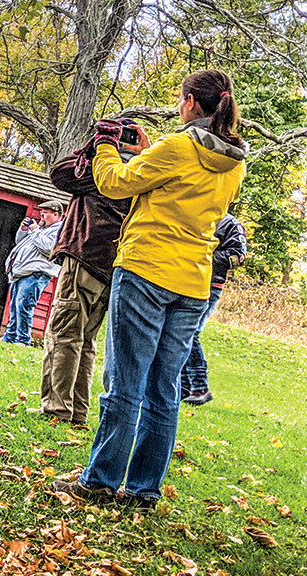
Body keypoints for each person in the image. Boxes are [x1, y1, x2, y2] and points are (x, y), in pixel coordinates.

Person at [53, 69, 247, 513]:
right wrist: (149, 150)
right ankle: (143, 491)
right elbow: (184, 183)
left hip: (147, 270)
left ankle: (99, 481)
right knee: (163, 391)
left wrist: (106, 144)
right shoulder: (234, 160)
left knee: (125, 382)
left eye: (181, 100)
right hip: (194, 282)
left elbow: (115, 183)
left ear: (192, 104)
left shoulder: (177, 147)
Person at [35, 127, 134, 426]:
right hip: (111, 265)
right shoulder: (141, 172)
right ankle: (77, 411)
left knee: (63, 333)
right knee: (86, 339)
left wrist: (95, 146)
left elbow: (60, 172)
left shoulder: (104, 170)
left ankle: (56, 408)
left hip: (84, 257)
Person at [181, 212, 247, 406]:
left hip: (210, 285)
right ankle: (184, 387)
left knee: (190, 333)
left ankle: (200, 387)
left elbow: (237, 255)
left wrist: (202, 258)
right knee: (181, 334)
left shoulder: (230, 223)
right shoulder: (199, 214)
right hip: (186, 281)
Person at [0, 200, 65, 346]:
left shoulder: (59, 230)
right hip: (22, 273)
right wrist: (24, 230)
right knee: (16, 305)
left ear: (56, 214)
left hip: (36, 273)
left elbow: (49, 249)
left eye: (45, 213)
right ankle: (9, 337)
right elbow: (19, 242)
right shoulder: (42, 229)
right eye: (41, 212)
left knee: (24, 305)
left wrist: (35, 230)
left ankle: (23, 341)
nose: (41, 215)